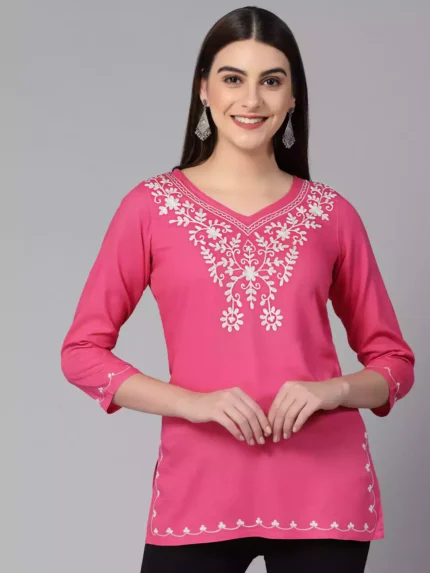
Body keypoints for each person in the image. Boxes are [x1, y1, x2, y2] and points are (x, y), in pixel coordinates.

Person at [60, 6, 415, 573]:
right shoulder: (150, 208)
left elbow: (394, 364)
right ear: (203, 89)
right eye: (233, 78)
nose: (251, 100)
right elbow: (81, 353)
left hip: (323, 492)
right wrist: (192, 403)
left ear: (292, 98)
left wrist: (334, 391)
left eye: (271, 81)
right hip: (200, 488)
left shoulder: (332, 215)